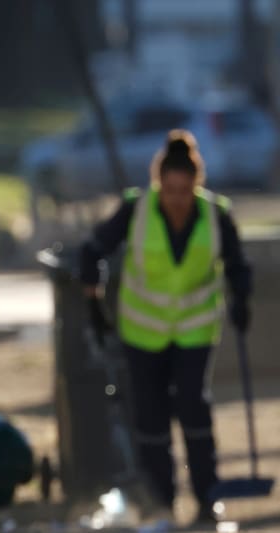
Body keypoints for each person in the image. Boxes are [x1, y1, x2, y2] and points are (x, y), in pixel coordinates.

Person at [80, 129, 252, 524]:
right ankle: (163, 502)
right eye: (170, 190)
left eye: (185, 191)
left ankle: (208, 498)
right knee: (151, 417)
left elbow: (238, 263)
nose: (177, 199)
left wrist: (242, 297)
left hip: (195, 329)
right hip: (143, 332)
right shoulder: (135, 209)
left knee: (193, 407)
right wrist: (93, 297)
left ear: (196, 183)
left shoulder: (216, 214)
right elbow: (94, 249)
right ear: (158, 181)